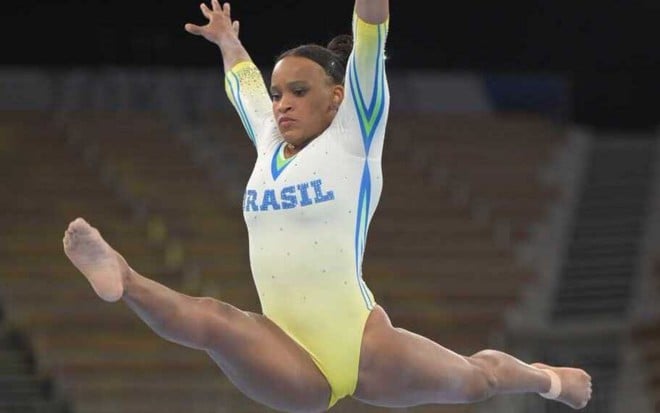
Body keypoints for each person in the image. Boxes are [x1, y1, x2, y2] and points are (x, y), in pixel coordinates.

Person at [62, 0, 593, 412]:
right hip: (285, 354)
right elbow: (243, 85)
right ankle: (123, 278)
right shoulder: (270, 142)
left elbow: (371, 26)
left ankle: (548, 380)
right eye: (278, 94)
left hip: (364, 346)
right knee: (216, 319)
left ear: (337, 96)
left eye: (297, 90)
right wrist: (227, 39)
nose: (282, 103)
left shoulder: (356, 135)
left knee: (480, 380)